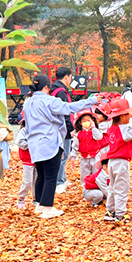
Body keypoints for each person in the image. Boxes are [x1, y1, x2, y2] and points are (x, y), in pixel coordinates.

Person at [22, 74, 99, 219]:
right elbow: (70, 108)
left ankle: (39, 204)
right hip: (49, 142)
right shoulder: (49, 101)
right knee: (51, 176)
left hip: (34, 143)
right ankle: (47, 207)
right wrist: (92, 101)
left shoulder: (28, 102)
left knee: (41, 175)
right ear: (46, 87)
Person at [103, 97, 132, 222]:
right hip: (121, 161)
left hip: (112, 161)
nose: (129, 117)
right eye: (127, 115)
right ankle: (120, 214)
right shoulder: (123, 129)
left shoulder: (112, 128)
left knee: (113, 187)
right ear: (121, 117)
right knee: (122, 188)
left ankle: (110, 211)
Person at [50, 66, 74, 194]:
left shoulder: (53, 90)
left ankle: (62, 179)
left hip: (56, 128)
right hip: (63, 129)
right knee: (63, 156)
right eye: (70, 77)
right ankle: (59, 182)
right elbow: (65, 112)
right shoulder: (61, 92)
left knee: (61, 155)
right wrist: (70, 128)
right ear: (66, 77)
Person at [72, 109, 108, 188]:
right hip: (84, 158)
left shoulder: (95, 131)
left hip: (95, 156)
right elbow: (75, 146)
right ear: (80, 123)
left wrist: (93, 127)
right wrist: (73, 157)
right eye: (84, 121)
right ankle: (87, 191)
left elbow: (99, 137)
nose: (86, 122)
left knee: (97, 174)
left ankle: (98, 189)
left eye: (88, 120)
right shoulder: (78, 134)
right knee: (85, 175)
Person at [14, 119, 34, 210]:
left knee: (36, 181)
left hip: (37, 158)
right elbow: (19, 142)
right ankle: (21, 198)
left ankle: (36, 199)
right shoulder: (23, 131)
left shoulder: (38, 129)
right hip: (27, 158)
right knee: (28, 181)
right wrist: (30, 145)